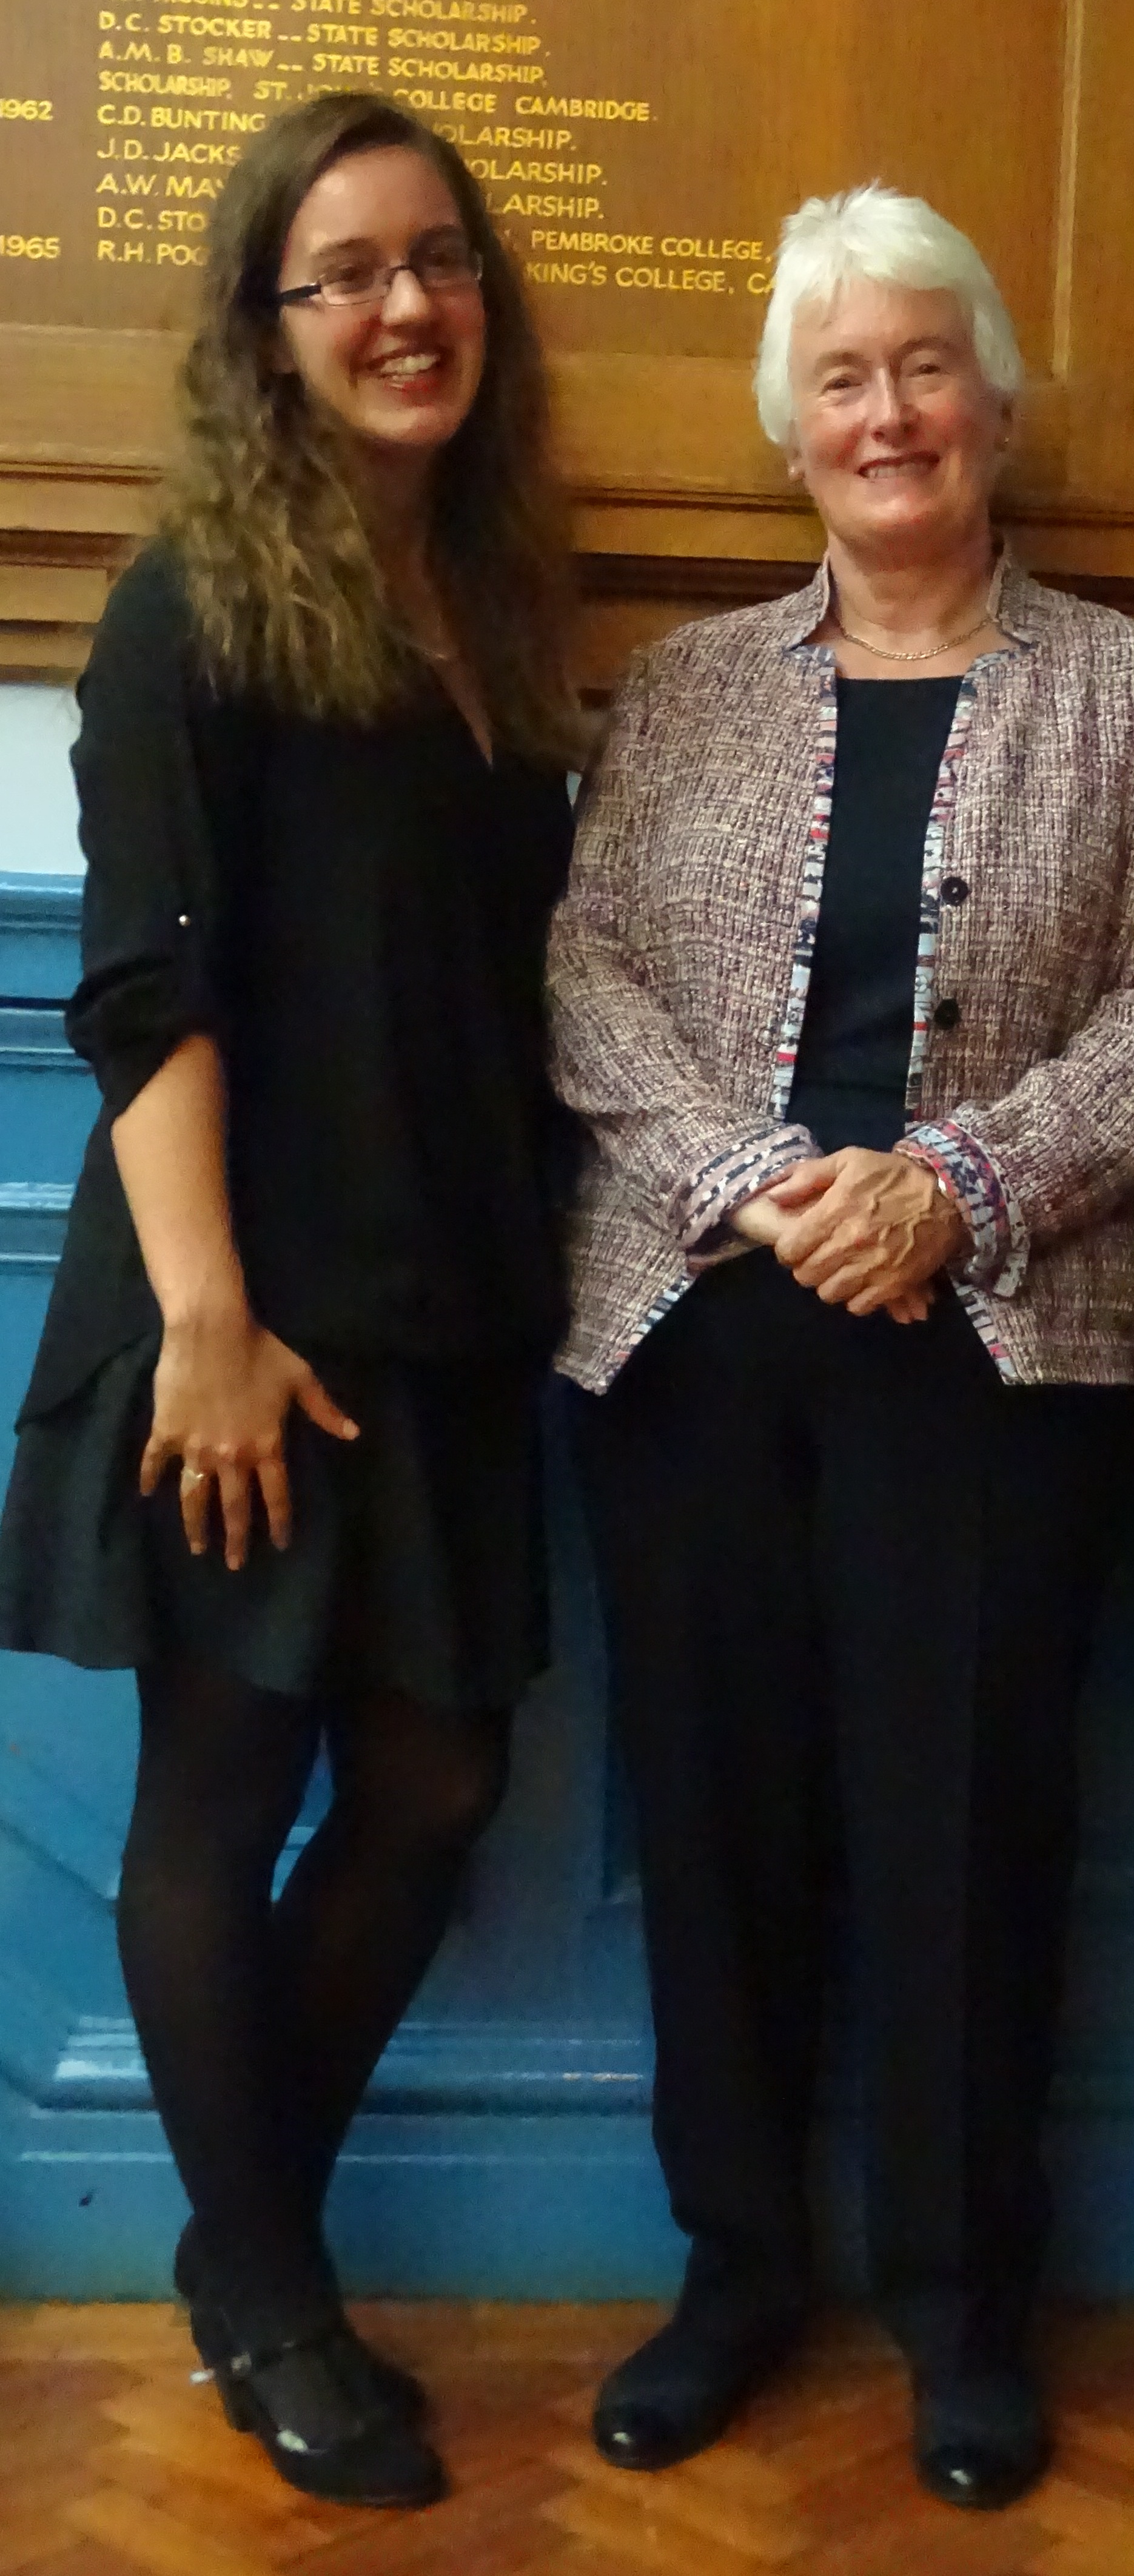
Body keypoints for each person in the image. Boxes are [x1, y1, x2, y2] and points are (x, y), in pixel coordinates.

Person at [549, 182, 1134, 2511]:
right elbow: (585, 983)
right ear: (786, 431)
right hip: (710, 1330)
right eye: (839, 377)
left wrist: (951, 1187)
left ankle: (961, 2314)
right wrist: (766, 1182)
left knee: (966, 1839)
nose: (887, 412)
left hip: (1000, 1343)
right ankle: (736, 2276)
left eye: (923, 363)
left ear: (999, 399)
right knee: (722, 1826)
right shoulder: (681, 694)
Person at [0, 93, 580, 2507]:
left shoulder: (496, 609)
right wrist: (212, 1323)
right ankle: (267, 2287)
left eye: (432, 259)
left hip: (440, 1310)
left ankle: (253, 2248)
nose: (400, 305)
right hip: (239, 1305)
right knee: (219, 1794)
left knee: (438, 1778)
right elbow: (144, 986)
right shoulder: (192, 608)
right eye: (339, 271)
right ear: (269, 328)